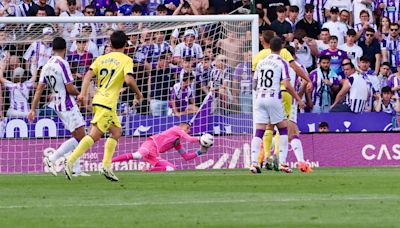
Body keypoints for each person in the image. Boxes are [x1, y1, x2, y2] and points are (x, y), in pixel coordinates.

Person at [64, 30, 143, 182]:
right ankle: (71, 160)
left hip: (99, 100)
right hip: (107, 103)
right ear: (125, 44)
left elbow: (88, 75)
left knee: (116, 132)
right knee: (94, 136)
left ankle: (106, 166)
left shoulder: (102, 58)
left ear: (111, 44)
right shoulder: (126, 60)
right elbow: (129, 80)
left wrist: (82, 93)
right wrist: (138, 94)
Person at [27, 37, 88, 177]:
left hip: (57, 105)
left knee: (77, 136)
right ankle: (52, 159)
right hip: (67, 104)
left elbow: (39, 90)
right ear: (65, 49)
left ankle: (75, 170)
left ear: (52, 49)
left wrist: (32, 109)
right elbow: (70, 88)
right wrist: (81, 94)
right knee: (83, 138)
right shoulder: (62, 64)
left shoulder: (46, 65)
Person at [250, 37, 305, 174]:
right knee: (283, 129)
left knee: (259, 132)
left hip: (259, 98)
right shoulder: (282, 62)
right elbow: (286, 84)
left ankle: (254, 163)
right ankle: (282, 163)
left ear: (269, 47)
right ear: (281, 48)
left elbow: (254, 84)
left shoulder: (261, 62)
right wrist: (298, 98)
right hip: (274, 98)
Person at [112, 122, 209, 172]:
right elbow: (190, 139)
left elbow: (186, 157)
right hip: (150, 144)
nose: (189, 131)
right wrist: (201, 138)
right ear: (182, 126)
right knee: (137, 155)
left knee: (171, 168)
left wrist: (200, 152)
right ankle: (109, 161)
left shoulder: (177, 142)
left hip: (154, 153)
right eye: (188, 129)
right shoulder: (177, 128)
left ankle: (148, 170)